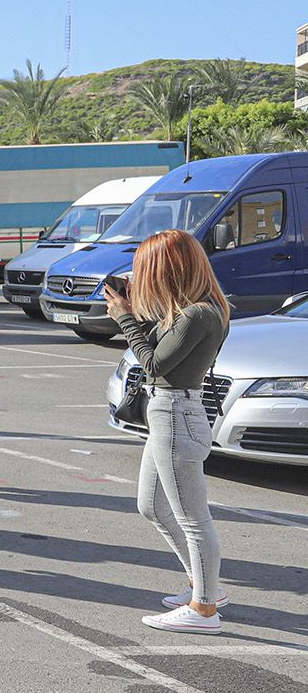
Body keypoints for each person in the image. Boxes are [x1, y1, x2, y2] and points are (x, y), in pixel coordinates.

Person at [108, 230, 231, 634]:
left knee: (193, 517)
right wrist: (136, 308)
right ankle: (202, 583)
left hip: (176, 412)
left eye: (148, 270)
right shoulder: (192, 311)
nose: (142, 277)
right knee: (152, 505)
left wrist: (125, 317)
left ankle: (205, 608)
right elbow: (161, 349)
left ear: (169, 271)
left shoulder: (197, 315)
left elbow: (154, 365)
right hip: (170, 413)